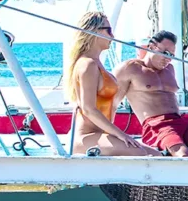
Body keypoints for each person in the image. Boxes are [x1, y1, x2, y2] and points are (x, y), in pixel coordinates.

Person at [66, 11, 159, 156]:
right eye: (108, 30)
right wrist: (121, 135)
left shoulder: (95, 63)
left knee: (156, 154)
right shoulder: (88, 65)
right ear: (94, 31)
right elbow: (88, 109)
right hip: (86, 137)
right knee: (143, 153)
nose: (112, 36)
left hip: (100, 135)